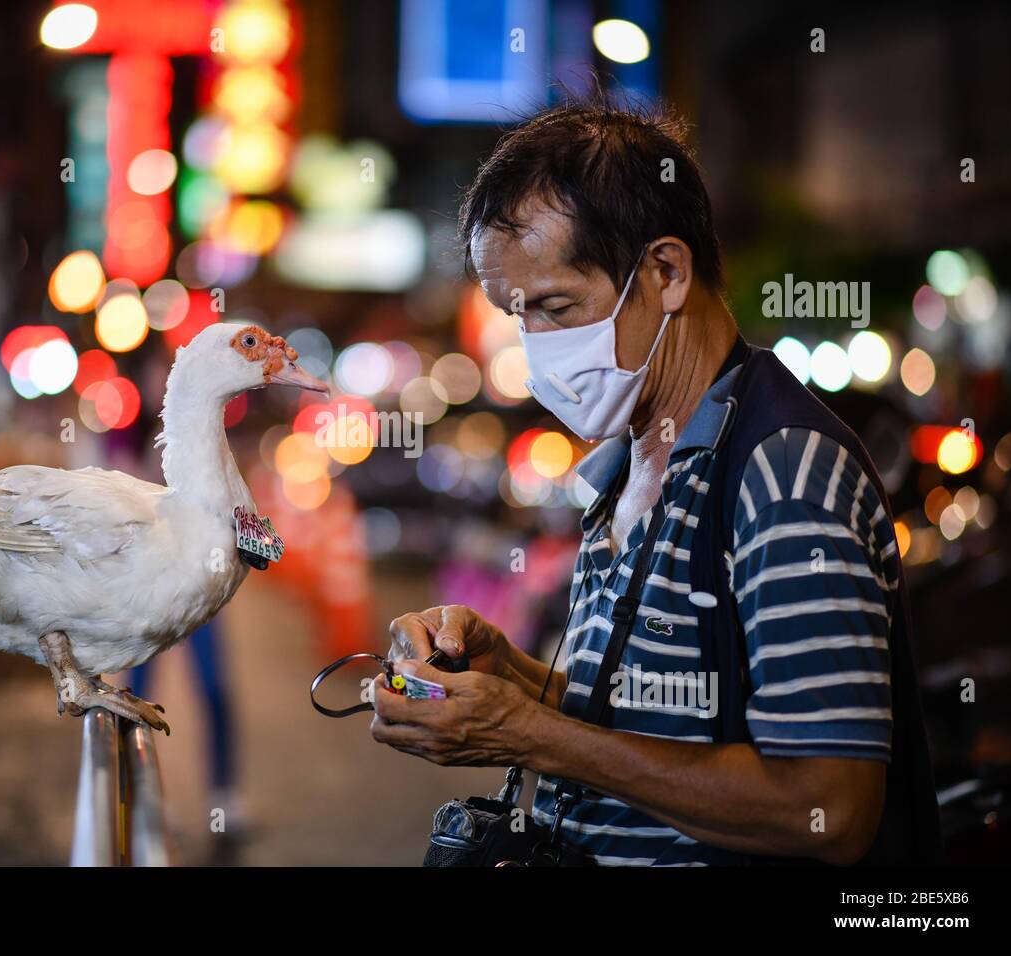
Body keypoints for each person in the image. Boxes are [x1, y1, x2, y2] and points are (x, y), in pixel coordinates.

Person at [370, 97, 940, 866]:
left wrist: (531, 733)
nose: (536, 347)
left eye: (557, 307)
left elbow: (826, 807)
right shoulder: (625, 462)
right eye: (518, 315)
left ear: (667, 272)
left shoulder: (785, 474)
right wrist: (510, 679)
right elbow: (657, 723)